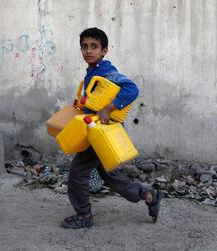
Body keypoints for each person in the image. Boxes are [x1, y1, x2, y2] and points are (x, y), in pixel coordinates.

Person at [60, 27, 163, 229]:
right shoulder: (92, 72)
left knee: (77, 172)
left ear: (104, 50)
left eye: (94, 47)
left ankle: (83, 215)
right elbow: (98, 98)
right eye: (84, 47)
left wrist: (108, 109)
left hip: (101, 132)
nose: (88, 51)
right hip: (96, 130)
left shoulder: (106, 71)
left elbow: (132, 89)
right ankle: (149, 195)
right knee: (110, 175)